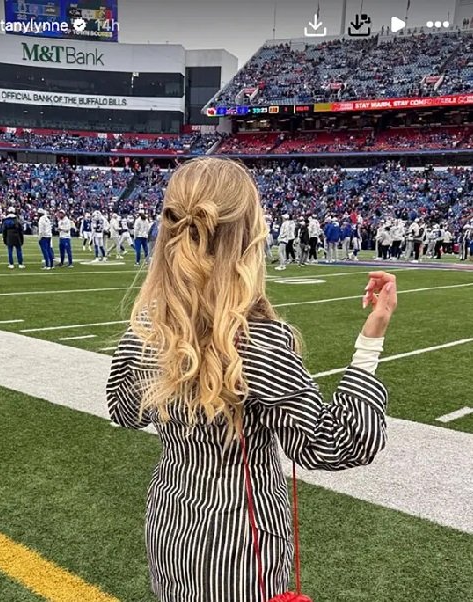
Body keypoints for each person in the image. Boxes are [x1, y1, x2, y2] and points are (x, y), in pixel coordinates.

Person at [107, 157, 397, 602]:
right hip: (243, 548)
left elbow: (124, 411)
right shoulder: (258, 339)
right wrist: (370, 343)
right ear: (246, 237)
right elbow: (337, 443)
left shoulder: (148, 327)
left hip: (169, 527)